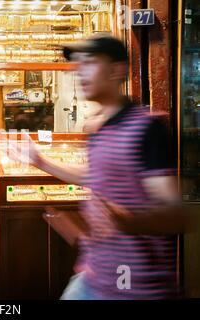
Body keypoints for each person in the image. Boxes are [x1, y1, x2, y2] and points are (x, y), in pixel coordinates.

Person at [11, 34, 191, 299]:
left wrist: (128, 222)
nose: (79, 72)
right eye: (78, 65)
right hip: (94, 274)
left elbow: (176, 214)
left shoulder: (146, 128)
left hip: (133, 284)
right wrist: (40, 161)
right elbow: (95, 176)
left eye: (90, 62)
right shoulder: (98, 126)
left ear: (117, 70)